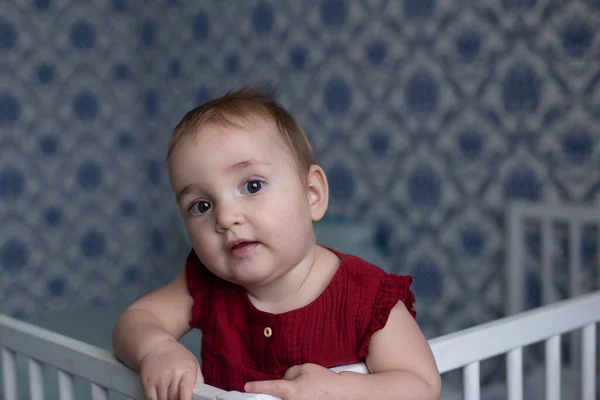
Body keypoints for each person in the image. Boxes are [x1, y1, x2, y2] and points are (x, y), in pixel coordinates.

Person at [112, 86, 441, 400]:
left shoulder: (366, 297)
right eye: (201, 206)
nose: (225, 218)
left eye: (252, 186)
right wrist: (156, 348)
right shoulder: (205, 284)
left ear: (312, 195)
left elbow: (422, 385)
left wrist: (343, 391)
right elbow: (135, 320)